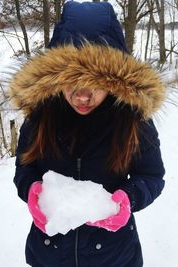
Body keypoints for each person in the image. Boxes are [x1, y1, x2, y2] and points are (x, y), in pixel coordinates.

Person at [10, 1, 166, 267]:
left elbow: (151, 176)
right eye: (72, 81)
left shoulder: (133, 119)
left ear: (114, 81)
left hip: (114, 255)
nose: (82, 96)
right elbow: (25, 169)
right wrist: (32, 190)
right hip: (50, 253)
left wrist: (129, 198)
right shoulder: (40, 116)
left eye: (95, 84)